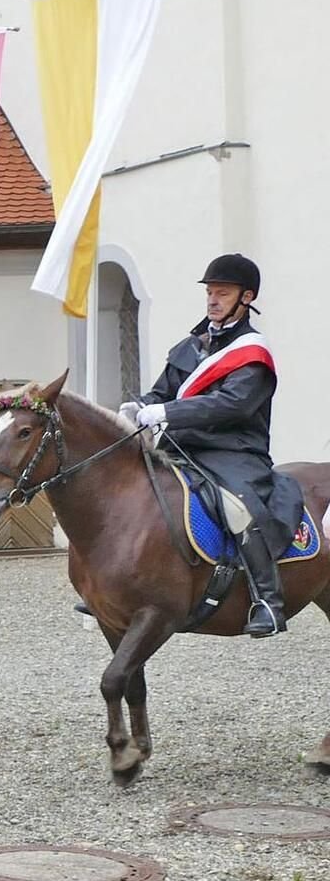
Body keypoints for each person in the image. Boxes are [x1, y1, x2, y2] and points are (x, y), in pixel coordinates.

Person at [121, 252, 293, 637]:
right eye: (210, 292)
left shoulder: (252, 354)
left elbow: (233, 405)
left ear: (246, 298)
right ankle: (122, 587)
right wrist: (142, 406)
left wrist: (168, 413)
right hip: (182, 446)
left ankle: (268, 600)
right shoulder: (191, 346)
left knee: (238, 509)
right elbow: (161, 392)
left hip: (234, 450)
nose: (213, 300)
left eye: (223, 292)